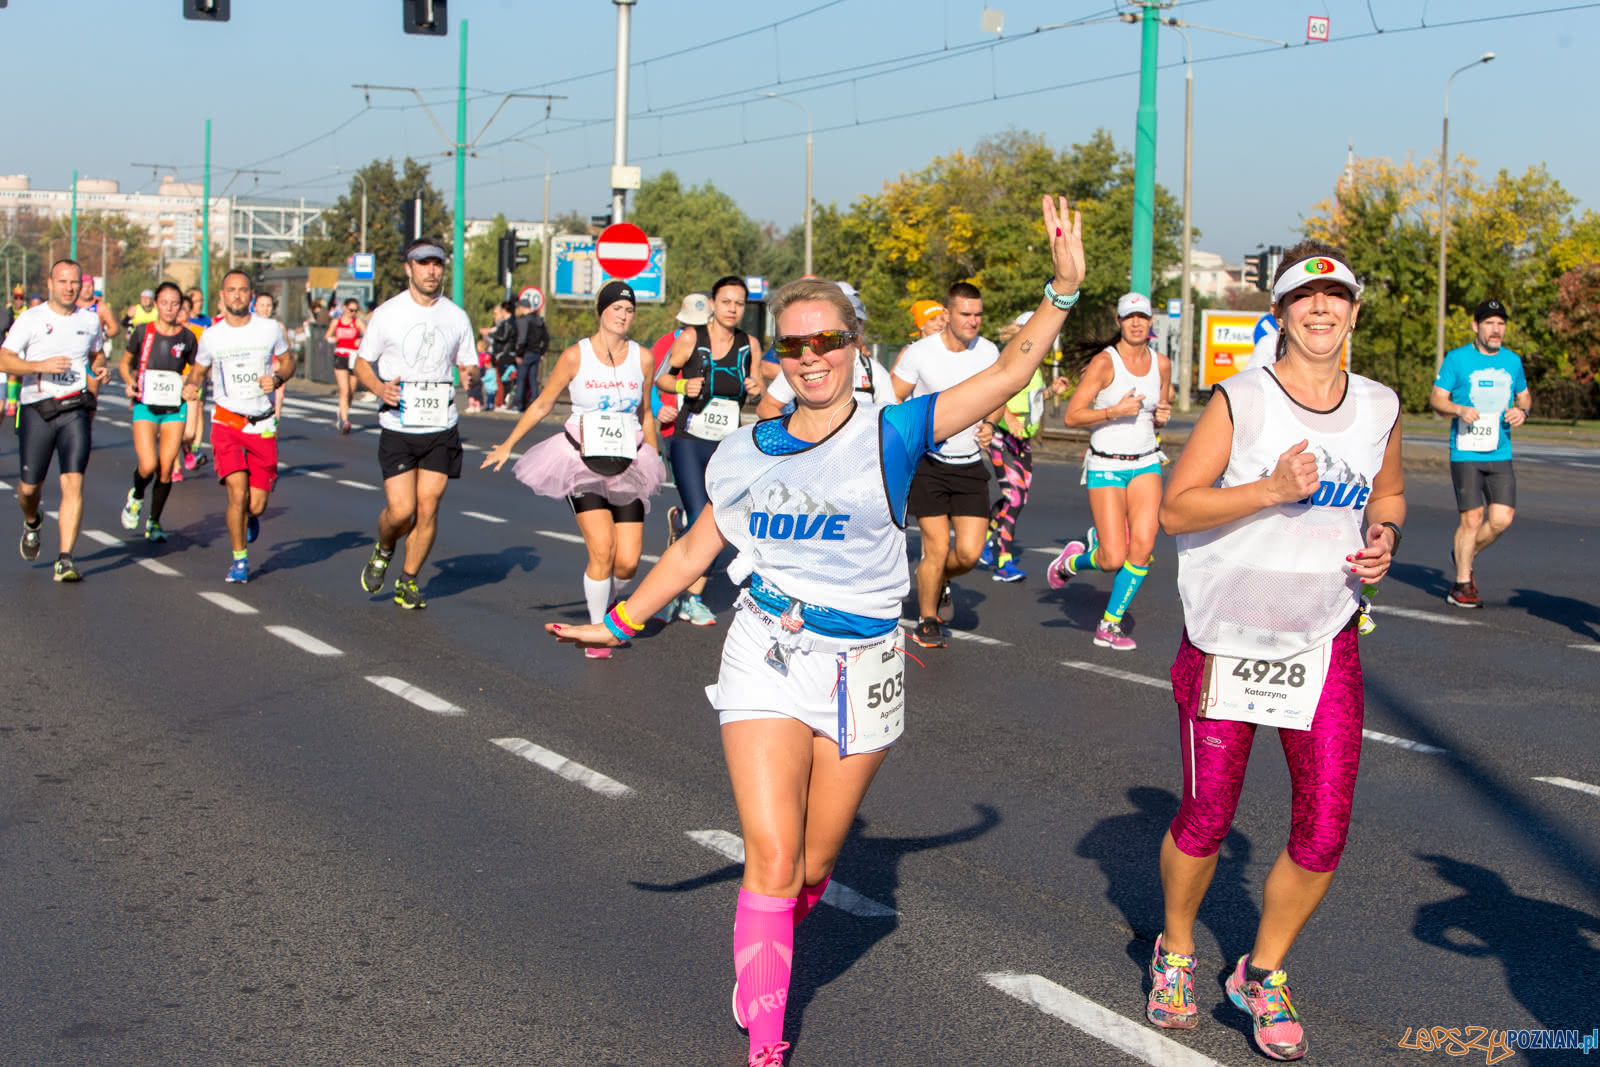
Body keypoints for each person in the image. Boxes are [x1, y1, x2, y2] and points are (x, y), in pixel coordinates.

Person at [543, 197, 1083, 1067]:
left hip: (864, 661)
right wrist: (618, 620)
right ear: (780, 357)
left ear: (854, 346)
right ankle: (767, 1032)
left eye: (826, 340)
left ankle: (769, 945)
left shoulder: (893, 430)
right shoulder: (747, 448)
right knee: (771, 853)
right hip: (766, 649)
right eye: (794, 346)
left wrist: (1061, 293)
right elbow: (694, 549)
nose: (811, 356)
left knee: (812, 867)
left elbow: (1008, 373)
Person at [1148, 243, 1404, 1062]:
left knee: (1324, 829)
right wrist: (1270, 489)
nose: (1320, 309)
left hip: (1324, 638)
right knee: (1208, 814)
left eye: (1336, 297)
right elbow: (1176, 510)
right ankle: (1177, 950)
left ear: (1354, 311)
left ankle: (1261, 971)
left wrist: (1384, 535)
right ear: (1281, 313)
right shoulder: (1243, 398)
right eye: (1304, 297)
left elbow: (1388, 492)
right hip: (1227, 638)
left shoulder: (1379, 404)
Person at [482, 280, 663, 655]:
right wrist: (509, 444)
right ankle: (597, 631)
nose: (623, 316)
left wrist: (655, 455)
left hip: (628, 460)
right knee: (602, 550)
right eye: (616, 309)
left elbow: (646, 412)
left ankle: (611, 603)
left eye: (629, 310)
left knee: (627, 563)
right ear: (601, 311)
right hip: (581, 461)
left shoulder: (643, 358)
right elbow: (542, 403)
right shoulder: (575, 356)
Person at [354, 238, 479, 609]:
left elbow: (469, 363)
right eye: (423, 263)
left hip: (441, 425)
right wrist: (380, 387)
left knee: (429, 505)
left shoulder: (456, 316)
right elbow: (361, 363)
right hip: (399, 426)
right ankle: (385, 546)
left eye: (437, 264)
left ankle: (408, 580)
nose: (431, 271)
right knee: (401, 511)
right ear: (409, 268)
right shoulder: (388, 314)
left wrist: (469, 375)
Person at [1046, 292, 1172, 649]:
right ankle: (1072, 562)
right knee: (1112, 557)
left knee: (1143, 547)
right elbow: (1072, 416)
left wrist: (1162, 416)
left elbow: (1161, 407)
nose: (1136, 323)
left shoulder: (1161, 364)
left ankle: (1110, 624)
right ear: (1119, 322)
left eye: (1142, 317)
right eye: (1129, 318)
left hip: (1146, 461)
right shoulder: (1105, 363)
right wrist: (1113, 412)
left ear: (1150, 322)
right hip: (1106, 463)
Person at [891, 280, 1001, 649]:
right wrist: (905, 435)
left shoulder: (988, 352)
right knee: (935, 548)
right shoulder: (920, 353)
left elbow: (999, 395)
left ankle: (937, 579)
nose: (973, 321)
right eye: (965, 314)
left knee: (969, 554)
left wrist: (991, 423)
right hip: (928, 462)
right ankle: (928, 620)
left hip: (969, 464)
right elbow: (892, 397)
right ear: (948, 314)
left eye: (978, 314)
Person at [653, 275, 765, 627]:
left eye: (739, 303)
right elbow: (662, 377)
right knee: (700, 514)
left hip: (728, 446)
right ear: (713, 304)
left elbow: (759, 389)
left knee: (718, 523)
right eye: (726, 302)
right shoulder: (691, 338)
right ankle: (672, 593)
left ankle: (692, 597)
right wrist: (683, 385)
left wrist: (756, 388)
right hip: (689, 440)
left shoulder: (749, 344)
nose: (733, 309)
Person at [0, 260, 108, 581]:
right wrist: (39, 366)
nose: (69, 288)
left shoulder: (89, 321)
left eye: (74, 282)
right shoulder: (31, 319)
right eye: (63, 282)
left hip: (74, 409)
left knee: (73, 481)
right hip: (37, 410)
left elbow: (96, 354)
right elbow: (4, 359)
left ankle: (65, 559)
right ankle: (32, 521)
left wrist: (99, 368)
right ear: (50, 284)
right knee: (29, 488)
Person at [184, 270, 294, 583]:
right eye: (231, 290)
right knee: (237, 493)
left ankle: (250, 516)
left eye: (243, 290)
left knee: (255, 504)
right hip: (227, 422)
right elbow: (198, 370)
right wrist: (191, 385)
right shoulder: (212, 336)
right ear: (222, 296)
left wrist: (278, 378)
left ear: (251, 295)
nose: (237, 295)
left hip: (261, 423)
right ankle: (239, 561)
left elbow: (289, 362)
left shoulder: (269, 329)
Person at [1430, 298, 1530, 609]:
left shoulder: (1512, 361)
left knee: (1502, 519)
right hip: (1466, 451)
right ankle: (1462, 585)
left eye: (1500, 324)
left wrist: (1522, 412)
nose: (1496, 329)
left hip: (1500, 450)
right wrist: (1459, 409)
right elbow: (1437, 400)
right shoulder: (1457, 359)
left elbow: (1525, 397)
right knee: (1472, 519)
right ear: (1476, 326)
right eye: (1489, 323)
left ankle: (1464, 553)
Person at [118, 282, 197, 542]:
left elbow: (196, 371)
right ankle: (137, 496)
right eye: (164, 303)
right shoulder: (144, 332)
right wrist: (129, 381)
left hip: (174, 407)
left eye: (175, 304)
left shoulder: (187, 338)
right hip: (146, 405)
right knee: (148, 464)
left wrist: (191, 385)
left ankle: (154, 521)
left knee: (165, 468)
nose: (170, 308)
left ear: (181, 307)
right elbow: (125, 363)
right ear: (156, 304)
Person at [980, 310, 1053, 582]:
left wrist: (1052, 391)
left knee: (1016, 496)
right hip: (1002, 437)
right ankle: (1003, 561)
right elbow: (995, 393)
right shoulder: (1010, 360)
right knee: (1015, 497)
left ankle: (984, 540)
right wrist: (1008, 417)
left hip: (1022, 441)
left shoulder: (1035, 365)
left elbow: (1030, 400)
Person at [756, 281, 896, 419]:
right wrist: (784, 433)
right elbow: (767, 406)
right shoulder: (799, 370)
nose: (808, 358)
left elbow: (892, 421)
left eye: (828, 340)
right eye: (790, 343)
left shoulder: (875, 372)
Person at [326, 296, 364, 433]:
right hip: (341, 355)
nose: (352, 313)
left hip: (354, 356)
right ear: (345, 308)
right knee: (344, 390)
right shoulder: (337, 322)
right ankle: (344, 420)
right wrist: (334, 339)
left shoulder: (357, 323)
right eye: (350, 310)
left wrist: (360, 340)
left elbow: (368, 336)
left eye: (355, 311)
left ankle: (342, 411)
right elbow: (327, 336)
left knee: (352, 391)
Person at [512, 295, 550, 412]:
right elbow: (546, 338)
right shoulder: (539, 320)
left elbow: (522, 339)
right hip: (536, 353)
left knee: (521, 379)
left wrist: (519, 354)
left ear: (523, 308)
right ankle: (535, 404)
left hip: (526, 353)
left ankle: (518, 404)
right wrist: (542, 352)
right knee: (533, 380)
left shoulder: (524, 320)